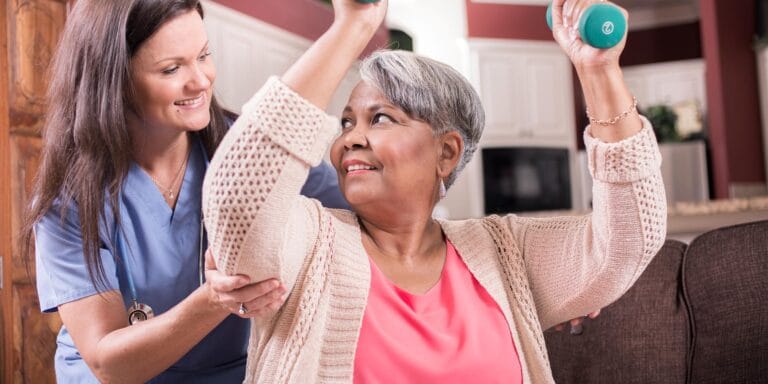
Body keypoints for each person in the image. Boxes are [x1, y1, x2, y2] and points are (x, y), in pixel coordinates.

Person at [203, 0, 668, 382]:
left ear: (446, 153)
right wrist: (354, 26)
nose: (349, 138)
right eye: (347, 122)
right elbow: (236, 197)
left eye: (379, 118)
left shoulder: (504, 253)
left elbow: (626, 243)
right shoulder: (307, 243)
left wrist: (599, 70)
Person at [19, 0, 349, 382]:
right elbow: (107, 362)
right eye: (172, 68)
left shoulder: (249, 150)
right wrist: (215, 301)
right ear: (114, 80)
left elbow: (359, 209)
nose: (201, 80)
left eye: (204, 56)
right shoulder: (68, 200)